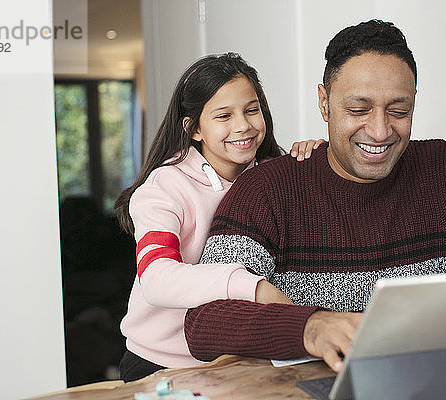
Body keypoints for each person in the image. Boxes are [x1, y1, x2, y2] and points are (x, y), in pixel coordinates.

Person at [183, 20, 446, 373]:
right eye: (358, 110)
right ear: (324, 103)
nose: (380, 131)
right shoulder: (265, 191)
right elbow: (204, 322)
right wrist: (309, 326)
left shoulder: (445, 170)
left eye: (399, 111)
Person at [113, 52, 323, 381]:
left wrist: (316, 161)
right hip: (162, 365)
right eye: (223, 116)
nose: (243, 125)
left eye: (251, 110)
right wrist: (252, 287)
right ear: (194, 128)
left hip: (241, 360)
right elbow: (156, 277)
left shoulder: (273, 176)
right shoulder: (165, 188)